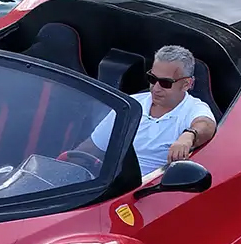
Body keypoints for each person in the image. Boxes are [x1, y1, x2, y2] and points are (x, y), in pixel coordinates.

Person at [84, 45, 217, 165]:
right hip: (113, 185)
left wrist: (189, 136)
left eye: (165, 83)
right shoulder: (130, 104)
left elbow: (206, 124)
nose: (155, 88)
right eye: (152, 79)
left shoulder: (194, 109)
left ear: (187, 84)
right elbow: (92, 147)